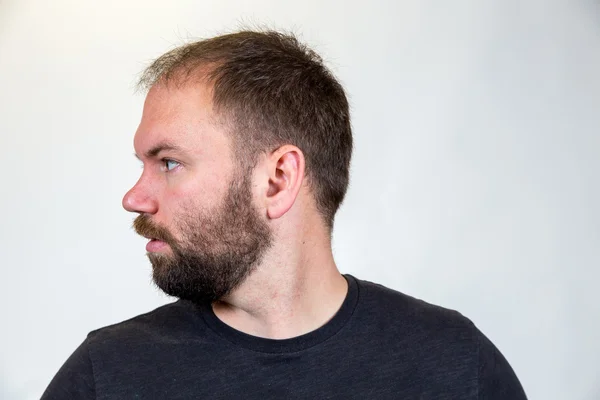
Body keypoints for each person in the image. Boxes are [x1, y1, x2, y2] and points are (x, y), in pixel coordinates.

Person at [41, 30, 527, 399]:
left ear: (277, 179)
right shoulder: (106, 377)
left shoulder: (455, 366)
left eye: (169, 162)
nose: (135, 197)